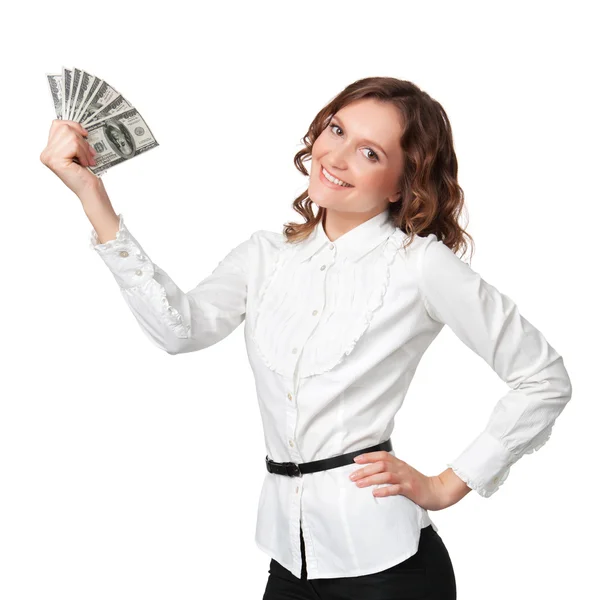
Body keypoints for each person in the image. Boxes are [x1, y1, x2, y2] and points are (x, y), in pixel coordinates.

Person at [40, 76, 573, 600]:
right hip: (289, 561)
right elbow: (180, 331)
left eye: (369, 153)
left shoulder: (420, 266)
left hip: (390, 570)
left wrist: (447, 484)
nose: (336, 158)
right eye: (336, 131)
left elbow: (543, 378)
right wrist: (92, 194)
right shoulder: (264, 256)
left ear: (401, 183)